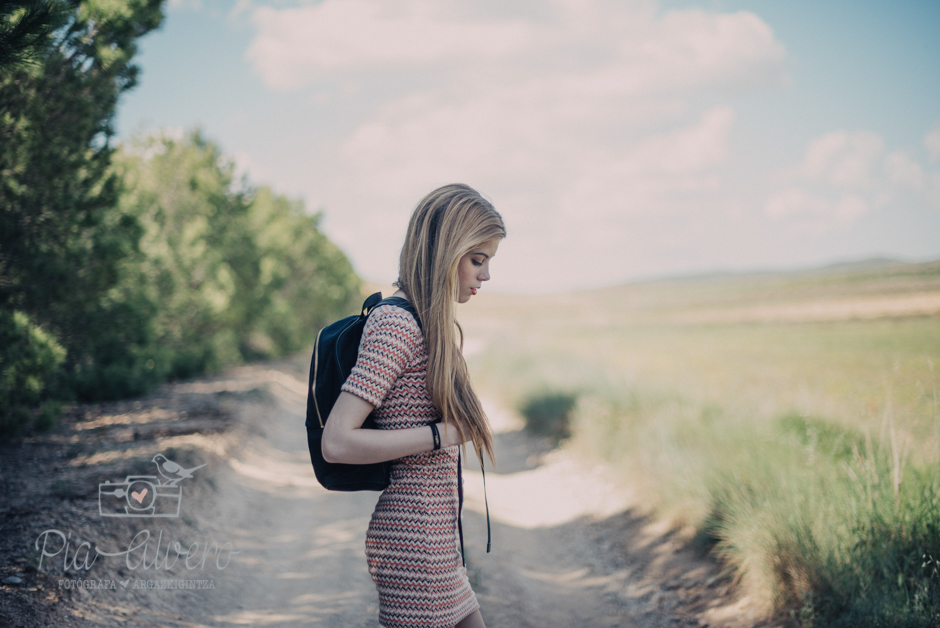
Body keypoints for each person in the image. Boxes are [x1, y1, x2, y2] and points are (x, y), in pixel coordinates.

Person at [321, 183, 504, 628]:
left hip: (437, 540)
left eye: (489, 262)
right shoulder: (396, 324)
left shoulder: (427, 323)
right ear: (445, 251)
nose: (485, 276)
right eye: (477, 260)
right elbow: (337, 442)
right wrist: (441, 435)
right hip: (413, 543)